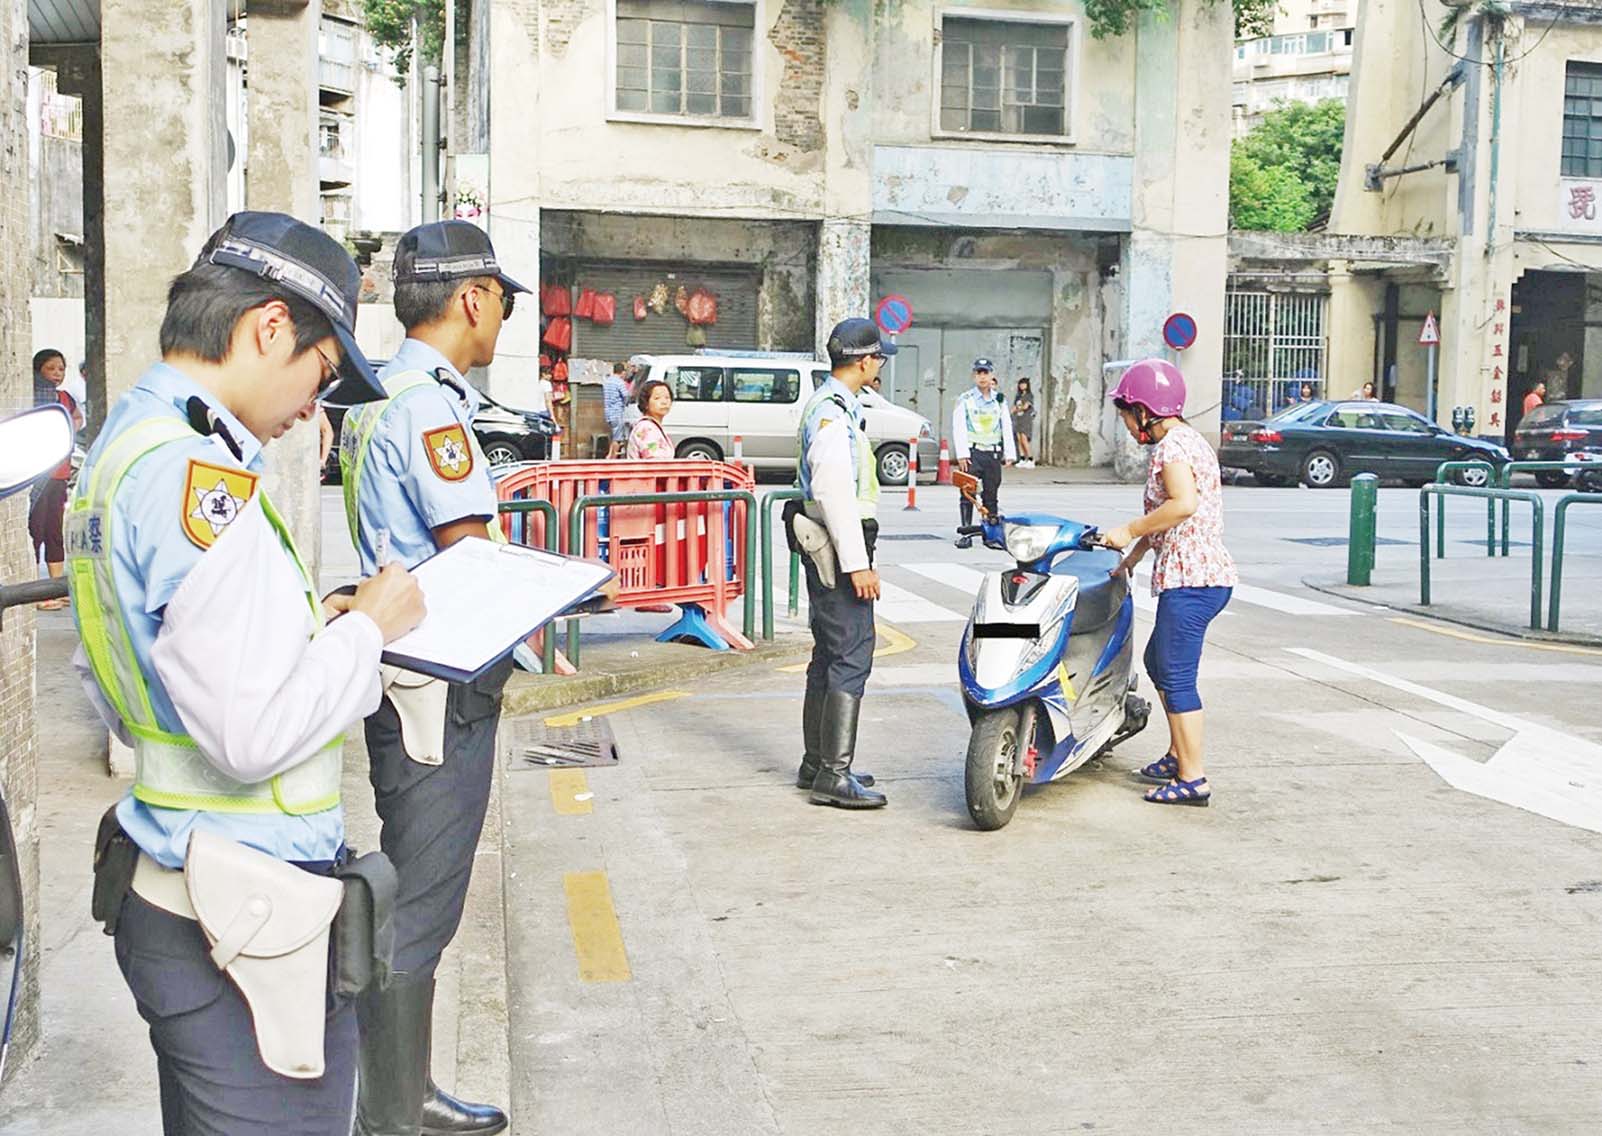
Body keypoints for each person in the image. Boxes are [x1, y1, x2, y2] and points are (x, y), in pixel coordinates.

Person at [70, 211, 425, 1134]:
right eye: (322, 371)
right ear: (270, 328)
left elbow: (115, 668)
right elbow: (249, 734)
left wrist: (310, 635)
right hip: (242, 928)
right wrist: (369, 633)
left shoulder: (123, 453)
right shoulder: (203, 484)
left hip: (182, 889)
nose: (316, 405)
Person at [339, 220, 532, 1136]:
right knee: (420, 896)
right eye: (500, 302)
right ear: (473, 299)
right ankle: (391, 1110)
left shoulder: (381, 392)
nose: (500, 321)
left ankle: (402, 1088)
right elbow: (468, 547)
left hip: (406, 672)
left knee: (417, 890)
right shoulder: (427, 403)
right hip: (436, 685)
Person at [1099, 359, 1237, 807]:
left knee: (1176, 675)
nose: (1124, 424)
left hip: (1194, 580)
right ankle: (1179, 754)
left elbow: (1182, 504)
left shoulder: (1171, 449)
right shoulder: (1188, 439)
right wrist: (1132, 557)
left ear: (1144, 410)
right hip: (1196, 575)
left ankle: (1194, 777)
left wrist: (1130, 529)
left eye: (1125, 414)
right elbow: (1170, 519)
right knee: (1158, 660)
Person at [789, 318, 888, 809]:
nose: (880, 365)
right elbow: (833, 492)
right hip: (839, 546)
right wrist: (857, 564)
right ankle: (833, 773)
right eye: (878, 358)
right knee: (851, 653)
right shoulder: (832, 414)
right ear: (865, 361)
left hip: (829, 543)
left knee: (829, 654)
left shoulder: (835, 406)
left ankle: (818, 762)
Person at [28, 348, 82, 610]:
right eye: (51, 368)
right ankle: (37, 594)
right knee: (35, 531)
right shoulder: (35, 396)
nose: (57, 374)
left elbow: (78, 420)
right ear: (38, 371)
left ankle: (55, 587)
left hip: (60, 474)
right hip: (39, 476)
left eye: (61, 369)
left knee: (54, 531)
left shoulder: (65, 398)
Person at [952, 358, 1015, 548]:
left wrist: (1010, 453)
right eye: (979, 373)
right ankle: (966, 534)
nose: (982, 377)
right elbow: (959, 427)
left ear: (992, 375)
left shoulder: (999, 400)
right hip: (973, 453)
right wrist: (962, 454)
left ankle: (991, 535)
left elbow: (1006, 426)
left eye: (985, 373)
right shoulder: (965, 399)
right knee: (967, 493)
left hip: (992, 454)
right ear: (974, 376)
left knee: (991, 494)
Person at [626, 378, 674, 459]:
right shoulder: (646, 428)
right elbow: (654, 460)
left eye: (667, 397)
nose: (664, 402)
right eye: (657, 398)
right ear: (646, 403)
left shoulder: (652, 426)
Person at [603, 361, 630, 458]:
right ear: (622, 372)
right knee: (617, 438)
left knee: (614, 436)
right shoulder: (619, 382)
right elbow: (626, 396)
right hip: (617, 413)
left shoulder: (607, 381)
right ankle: (612, 458)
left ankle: (609, 455)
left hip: (608, 413)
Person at [1012, 377, 1036, 469]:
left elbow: (1025, 407)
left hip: (1026, 419)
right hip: (1018, 419)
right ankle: (1022, 458)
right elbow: (1014, 407)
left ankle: (1030, 459)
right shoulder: (1018, 396)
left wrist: (1017, 409)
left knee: (1024, 438)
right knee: (1019, 439)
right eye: (1020, 384)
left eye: (1024, 384)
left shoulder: (1029, 396)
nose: (1022, 386)